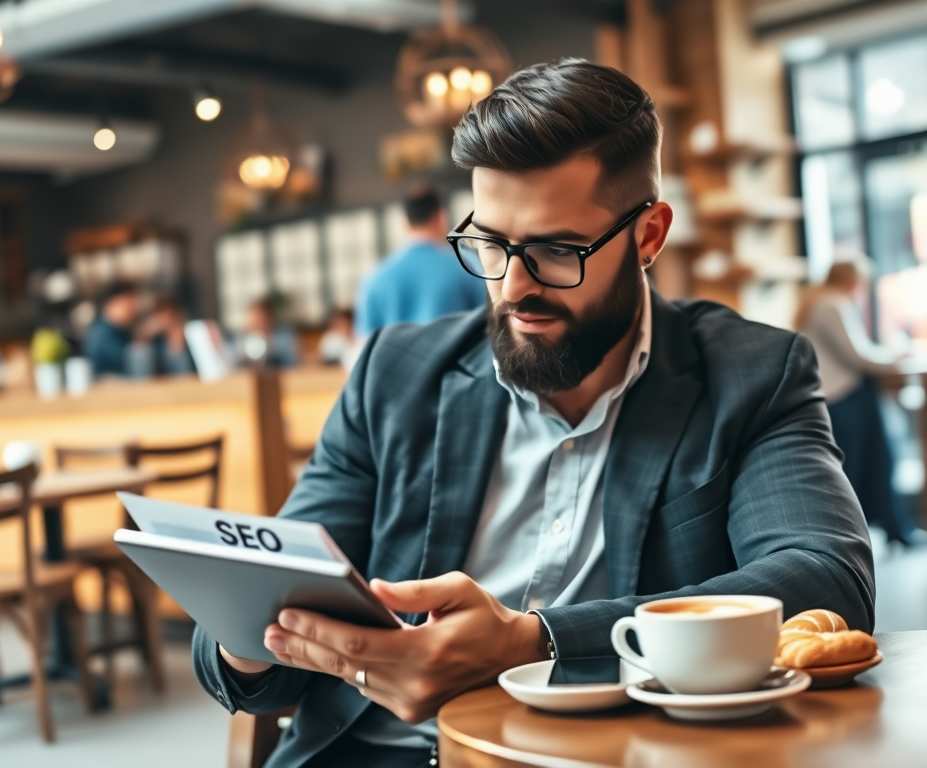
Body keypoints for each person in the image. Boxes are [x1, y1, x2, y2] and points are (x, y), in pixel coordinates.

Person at [193, 59, 874, 767]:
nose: (514, 287)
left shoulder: (752, 374)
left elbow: (827, 577)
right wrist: (254, 631)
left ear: (648, 236)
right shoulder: (394, 375)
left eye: (556, 250)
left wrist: (537, 640)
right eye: (490, 244)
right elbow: (247, 664)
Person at [797, 257, 924, 545]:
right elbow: (859, 356)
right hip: (844, 395)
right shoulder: (832, 303)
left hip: (836, 395)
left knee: (861, 465)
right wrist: (899, 358)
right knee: (871, 463)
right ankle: (871, 534)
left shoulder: (818, 300)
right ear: (854, 281)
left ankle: (888, 530)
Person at [355, 185, 485, 336]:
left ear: (406, 221)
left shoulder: (373, 278)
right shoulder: (466, 266)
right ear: (441, 217)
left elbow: (365, 343)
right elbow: (487, 326)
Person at [83, 282, 140, 377]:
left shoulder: (120, 331)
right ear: (111, 304)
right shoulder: (101, 336)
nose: (134, 309)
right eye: (129, 304)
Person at [136, 295, 194, 376]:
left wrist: (176, 338)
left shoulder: (189, 333)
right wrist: (146, 333)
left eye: (165, 313)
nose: (162, 318)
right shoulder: (156, 339)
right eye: (158, 314)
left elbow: (185, 367)